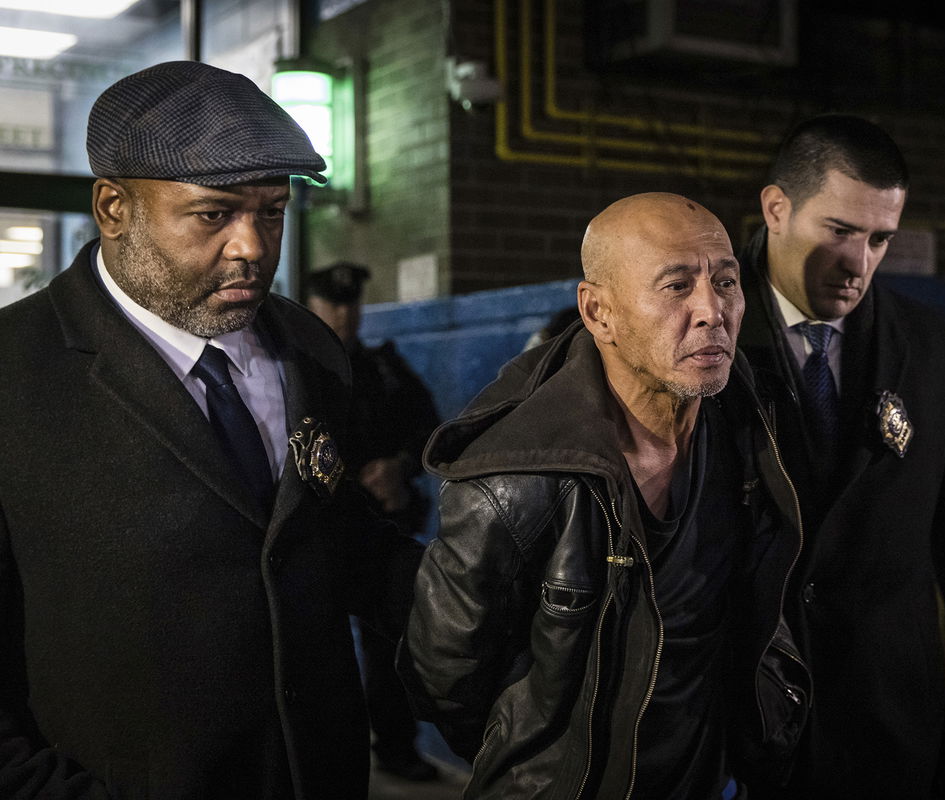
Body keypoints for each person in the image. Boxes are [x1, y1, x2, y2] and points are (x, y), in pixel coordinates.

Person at [0, 61, 419, 799]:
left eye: (273, 212)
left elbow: (327, 539)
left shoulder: (309, 349)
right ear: (112, 207)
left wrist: (477, 591)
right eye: (214, 214)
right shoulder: (14, 374)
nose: (253, 247)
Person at [400, 193, 811, 799]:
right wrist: (545, 753)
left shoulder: (751, 432)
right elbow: (444, 676)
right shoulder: (515, 479)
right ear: (599, 312)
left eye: (726, 281)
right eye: (676, 286)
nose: (712, 311)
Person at [737, 114, 945, 798]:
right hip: (744, 709)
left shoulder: (935, 348)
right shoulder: (705, 329)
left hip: (889, 709)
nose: (859, 262)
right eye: (839, 231)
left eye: (879, 239)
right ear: (776, 209)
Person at [305, 262, 441, 781]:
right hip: (317, 535)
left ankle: (396, 748)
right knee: (317, 654)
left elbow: (428, 429)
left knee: (391, 647)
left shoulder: (383, 368)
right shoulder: (295, 368)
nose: (344, 314)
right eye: (333, 303)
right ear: (312, 305)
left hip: (381, 528)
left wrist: (398, 468)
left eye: (351, 304)